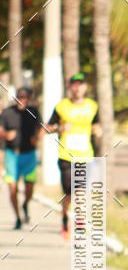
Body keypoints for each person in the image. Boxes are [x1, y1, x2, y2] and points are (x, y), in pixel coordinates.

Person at [46, 73, 100, 237]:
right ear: (69, 87)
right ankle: (64, 218)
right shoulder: (61, 107)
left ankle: (80, 223)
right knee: (69, 194)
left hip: (85, 155)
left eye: (80, 84)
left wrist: (98, 130)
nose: (77, 88)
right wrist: (60, 128)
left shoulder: (92, 106)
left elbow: (96, 124)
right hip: (66, 156)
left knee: (81, 192)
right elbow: (47, 127)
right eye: (74, 84)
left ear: (85, 87)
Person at [0, 87, 43, 230]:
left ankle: (25, 204)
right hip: (12, 154)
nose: (22, 100)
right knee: (12, 188)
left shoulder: (33, 111)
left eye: (25, 97)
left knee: (29, 187)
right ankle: (18, 217)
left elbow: (41, 129)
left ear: (29, 98)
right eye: (20, 97)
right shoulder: (7, 112)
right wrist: (6, 135)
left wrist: (36, 138)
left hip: (29, 154)